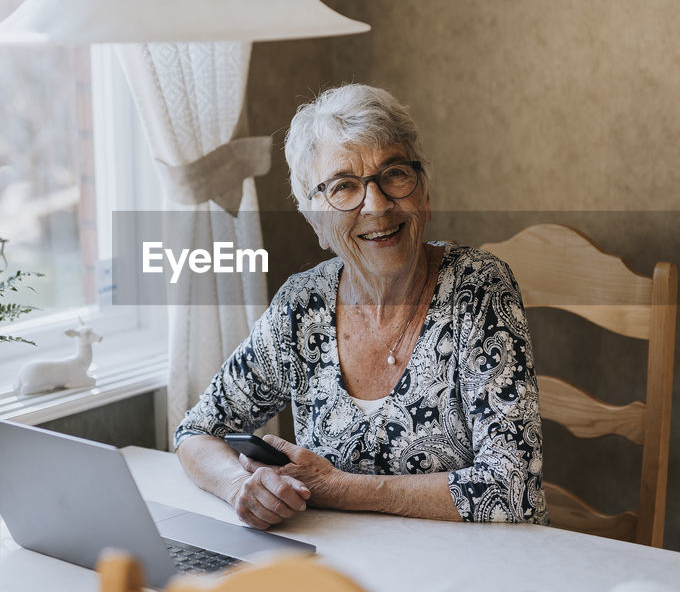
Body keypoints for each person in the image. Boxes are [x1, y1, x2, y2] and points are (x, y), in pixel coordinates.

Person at [175, 84, 547, 529]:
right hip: (340, 570)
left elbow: (513, 489)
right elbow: (196, 431)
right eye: (344, 187)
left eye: (393, 175)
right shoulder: (301, 306)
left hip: (467, 569)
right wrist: (239, 487)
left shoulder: (479, 289)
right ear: (315, 219)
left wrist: (336, 486)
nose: (376, 205)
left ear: (423, 193)